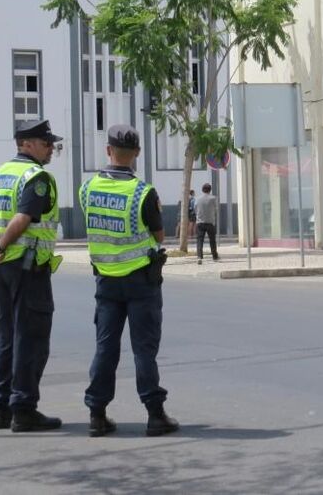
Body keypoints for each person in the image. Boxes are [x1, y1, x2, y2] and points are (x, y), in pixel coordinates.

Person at [79, 124, 178, 438]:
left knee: (105, 348)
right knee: (143, 350)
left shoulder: (87, 189)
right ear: (136, 154)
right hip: (141, 281)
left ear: (108, 150)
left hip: (106, 282)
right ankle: (154, 414)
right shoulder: (143, 192)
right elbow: (159, 234)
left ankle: (96, 413)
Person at [0, 119, 64, 432]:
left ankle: (1, 408)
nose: (50, 148)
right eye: (45, 142)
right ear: (26, 144)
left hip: (0, 267)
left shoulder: (0, 173)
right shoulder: (36, 177)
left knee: (4, 335)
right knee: (31, 338)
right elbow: (24, 217)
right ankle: (23, 408)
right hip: (27, 268)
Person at [195, 183, 219, 264]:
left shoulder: (197, 199)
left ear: (202, 190)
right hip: (210, 222)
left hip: (200, 222)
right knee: (212, 240)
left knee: (199, 240)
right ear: (210, 190)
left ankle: (199, 256)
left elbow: (195, 209)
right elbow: (216, 210)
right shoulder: (213, 198)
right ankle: (214, 256)